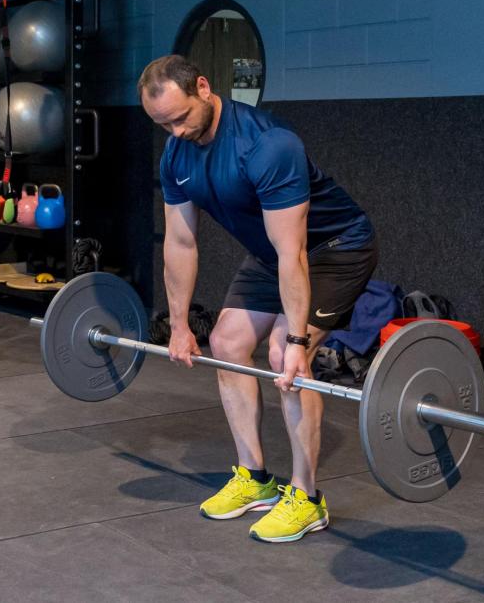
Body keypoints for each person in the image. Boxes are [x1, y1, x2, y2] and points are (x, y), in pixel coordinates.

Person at [138, 54, 377, 544]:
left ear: (204, 87)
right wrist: (179, 325)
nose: (176, 132)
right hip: (275, 254)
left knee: (284, 359)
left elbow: (295, 255)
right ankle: (255, 479)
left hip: (335, 249)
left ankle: (307, 499)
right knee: (225, 342)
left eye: (180, 117)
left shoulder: (268, 145)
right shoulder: (174, 154)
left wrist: (295, 340)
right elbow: (180, 244)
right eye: (162, 124)